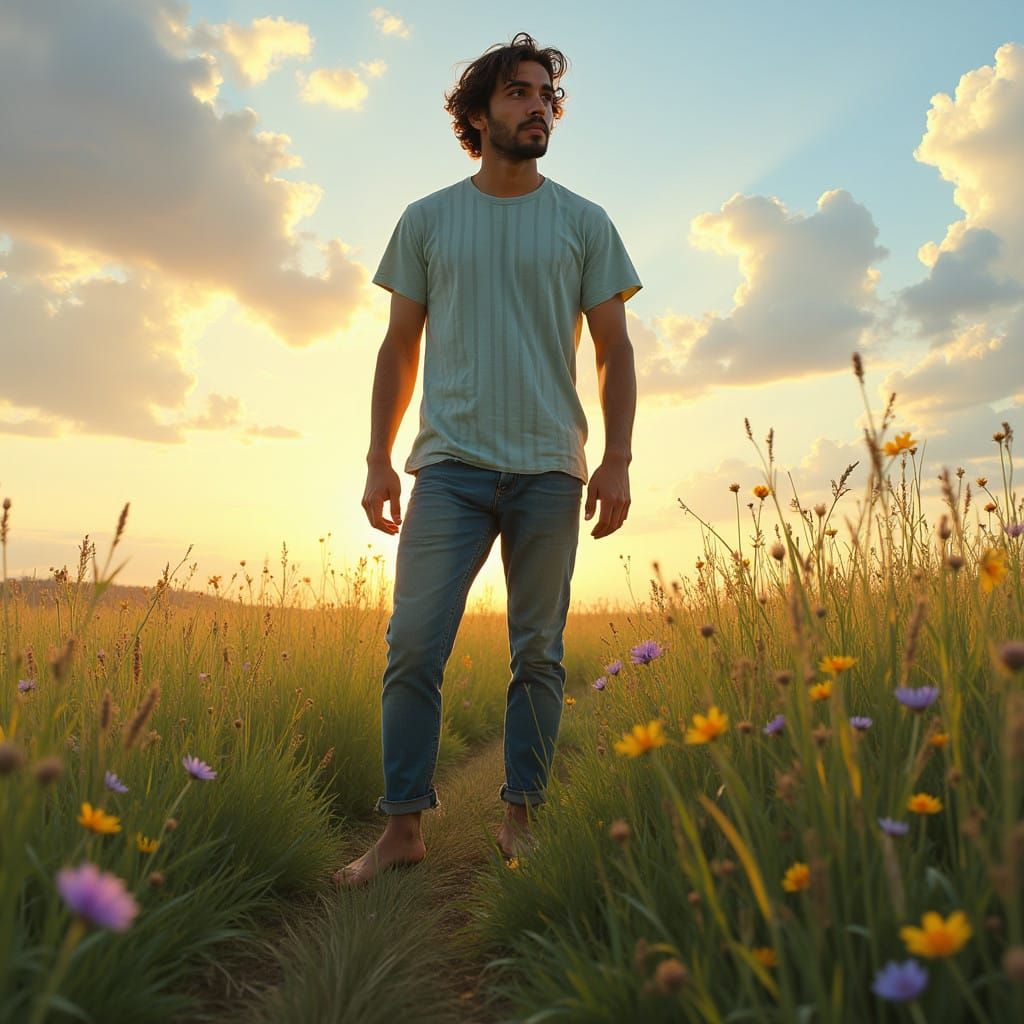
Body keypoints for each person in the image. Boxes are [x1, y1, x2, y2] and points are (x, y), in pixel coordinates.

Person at [335, 32, 641, 887]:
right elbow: (399, 347)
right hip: (450, 469)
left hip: (551, 469)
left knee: (538, 654)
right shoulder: (427, 219)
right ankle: (402, 830)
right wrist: (377, 457)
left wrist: (617, 457)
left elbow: (614, 350)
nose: (537, 106)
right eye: (517, 92)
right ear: (476, 115)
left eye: (546, 95)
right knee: (412, 646)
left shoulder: (585, 222)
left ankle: (521, 822)